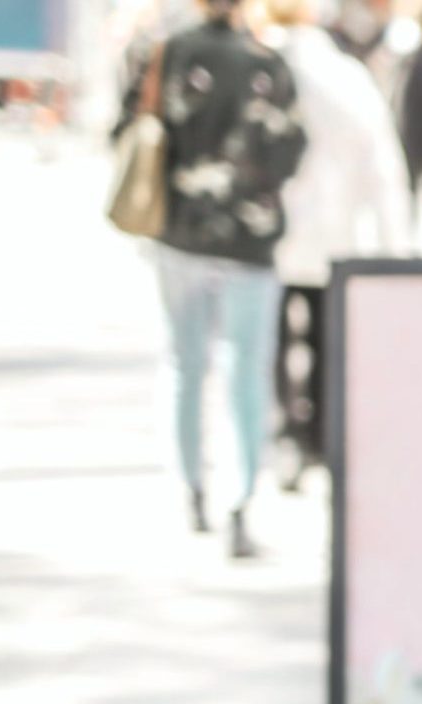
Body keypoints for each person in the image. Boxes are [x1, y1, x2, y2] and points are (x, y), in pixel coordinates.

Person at [117, 0, 308, 558]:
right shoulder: (268, 66)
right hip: (249, 241)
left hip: (181, 232)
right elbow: (291, 151)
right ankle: (240, 499)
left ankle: (192, 488)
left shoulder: (169, 54)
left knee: (185, 362)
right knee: (245, 371)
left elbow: (132, 126)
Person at [268, 0, 412, 489]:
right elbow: (383, 165)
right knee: (328, 337)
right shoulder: (345, 75)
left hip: (273, 232)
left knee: (275, 337)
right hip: (335, 233)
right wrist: (395, 244)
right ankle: (321, 436)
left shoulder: (266, 66)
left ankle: (287, 431)